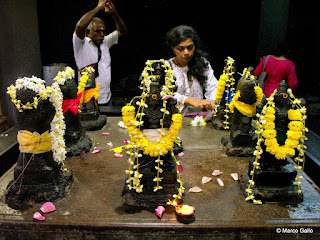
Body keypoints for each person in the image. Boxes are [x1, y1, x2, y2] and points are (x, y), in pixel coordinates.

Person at [73, 0, 127, 105]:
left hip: (106, 99)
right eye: (98, 31)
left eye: (103, 31)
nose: (102, 34)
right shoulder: (81, 44)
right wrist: (98, 7)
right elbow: (80, 27)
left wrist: (113, 13)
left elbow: (123, 31)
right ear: (88, 32)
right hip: (88, 102)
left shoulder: (105, 42)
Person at [166, 25, 218, 117]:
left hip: (198, 119)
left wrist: (212, 101)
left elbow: (212, 86)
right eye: (180, 49)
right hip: (173, 120)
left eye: (190, 47)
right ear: (172, 48)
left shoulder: (202, 63)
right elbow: (165, 93)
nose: (186, 52)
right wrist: (189, 100)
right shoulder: (166, 67)